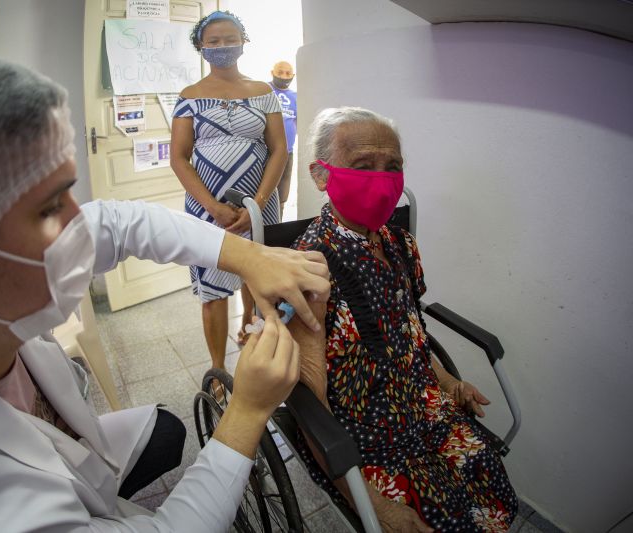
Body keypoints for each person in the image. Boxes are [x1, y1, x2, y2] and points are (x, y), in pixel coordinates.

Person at [0, 57, 330, 532]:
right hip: (51, 484)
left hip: (76, 451)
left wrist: (250, 257)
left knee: (168, 431)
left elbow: (119, 222)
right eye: (51, 207)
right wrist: (247, 409)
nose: (82, 222)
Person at [290, 107, 518, 532]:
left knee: (489, 475)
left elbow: (410, 332)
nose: (381, 179)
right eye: (362, 166)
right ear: (321, 176)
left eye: (392, 167)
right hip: (364, 436)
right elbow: (311, 404)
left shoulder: (401, 244)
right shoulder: (308, 270)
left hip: (421, 406)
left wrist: (449, 383)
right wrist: (374, 505)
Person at [171, 11, 288, 369]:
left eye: (230, 39)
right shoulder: (189, 96)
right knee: (213, 286)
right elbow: (179, 158)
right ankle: (219, 368)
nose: (223, 47)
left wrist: (261, 202)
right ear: (201, 48)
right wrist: (214, 207)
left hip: (259, 204)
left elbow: (279, 149)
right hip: (208, 208)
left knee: (255, 271)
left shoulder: (263, 92)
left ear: (243, 43)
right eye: (214, 41)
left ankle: (249, 326)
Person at [268, 60, 298, 219]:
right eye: (280, 72)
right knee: (263, 193)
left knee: (281, 197)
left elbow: (298, 123)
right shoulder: (264, 90)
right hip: (267, 152)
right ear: (272, 72)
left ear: (293, 76)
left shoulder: (296, 97)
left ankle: (277, 225)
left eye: (288, 73)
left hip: (288, 153)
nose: (284, 76)